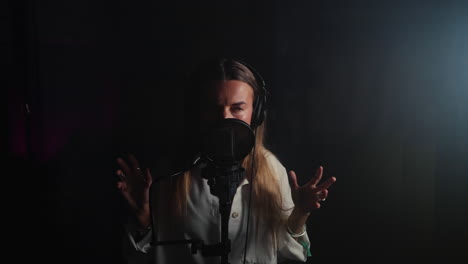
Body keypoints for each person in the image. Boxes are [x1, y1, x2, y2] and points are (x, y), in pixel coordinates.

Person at [115, 57, 337, 264]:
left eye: (238, 108)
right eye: (213, 108)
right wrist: (142, 218)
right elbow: (139, 258)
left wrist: (300, 212)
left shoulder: (271, 169)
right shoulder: (170, 175)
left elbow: (295, 254)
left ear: (256, 113)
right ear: (198, 112)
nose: (225, 118)